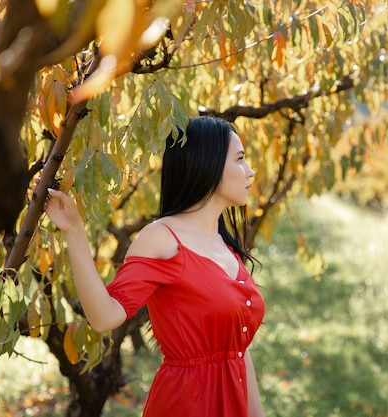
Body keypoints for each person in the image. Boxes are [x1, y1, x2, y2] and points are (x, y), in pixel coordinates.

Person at [43, 116, 266, 417]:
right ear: (207, 164)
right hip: (187, 404)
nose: (250, 171)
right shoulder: (162, 238)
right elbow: (105, 315)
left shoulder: (223, 244)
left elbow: (238, 350)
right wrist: (74, 232)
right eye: (239, 160)